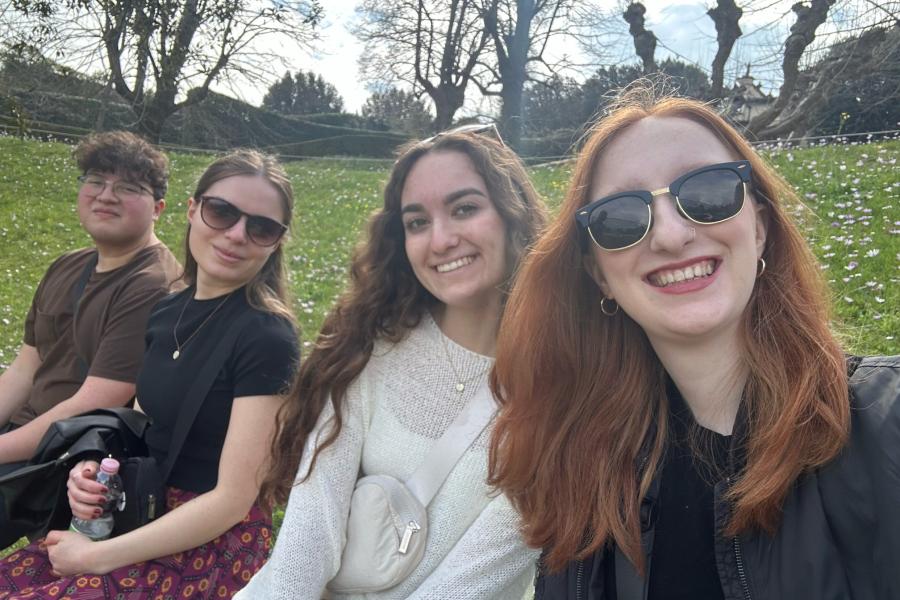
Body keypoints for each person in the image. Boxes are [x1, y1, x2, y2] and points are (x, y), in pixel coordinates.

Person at [487, 85, 900, 600]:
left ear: (761, 227)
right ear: (598, 276)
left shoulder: (887, 423)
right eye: (622, 217)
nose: (670, 235)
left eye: (708, 192)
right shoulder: (581, 472)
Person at [237, 126, 548, 599]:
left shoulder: (562, 384)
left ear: (513, 216)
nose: (440, 240)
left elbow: (478, 577)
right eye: (417, 222)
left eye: (465, 208)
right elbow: (311, 522)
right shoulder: (370, 345)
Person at [0, 150, 299, 598]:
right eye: (222, 212)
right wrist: (95, 473)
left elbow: (233, 500)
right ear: (193, 209)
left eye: (261, 227)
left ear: (276, 241)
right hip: (141, 508)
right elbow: (137, 434)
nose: (237, 235)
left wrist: (98, 557)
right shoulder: (168, 311)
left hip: (207, 541)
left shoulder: (267, 336)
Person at [0, 131, 180, 474]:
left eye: (128, 188)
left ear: (158, 209)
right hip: (21, 437)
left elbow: (92, 406)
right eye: (96, 181)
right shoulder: (67, 265)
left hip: (72, 458)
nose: (106, 196)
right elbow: (22, 372)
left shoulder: (155, 286)